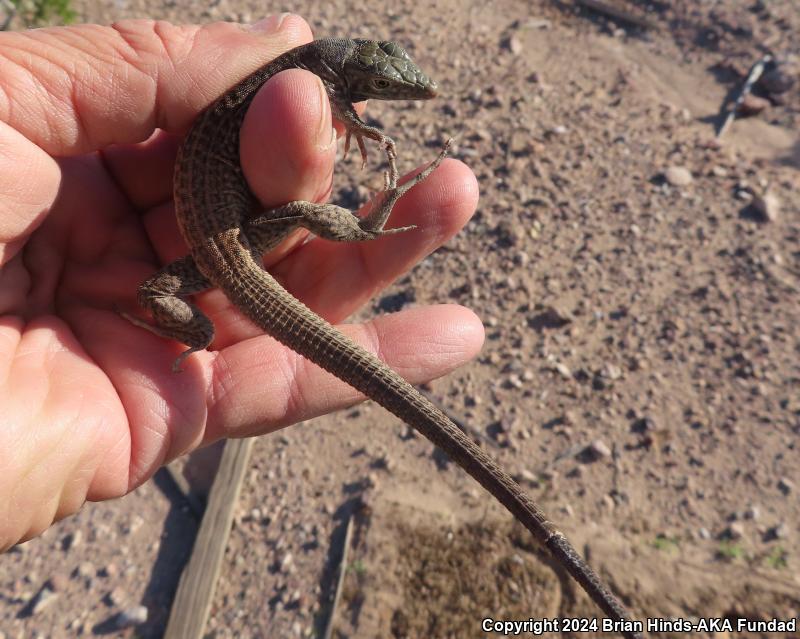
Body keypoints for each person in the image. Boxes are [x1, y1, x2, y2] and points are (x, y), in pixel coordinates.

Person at [0, 14, 481, 549]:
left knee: (260, 221)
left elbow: (329, 92)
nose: (407, 93)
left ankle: (200, 335)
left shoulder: (306, 71)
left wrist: (353, 117)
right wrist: (353, 121)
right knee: (293, 201)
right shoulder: (306, 74)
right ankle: (364, 227)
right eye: (388, 88)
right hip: (231, 247)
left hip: (216, 249)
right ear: (353, 76)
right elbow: (327, 95)